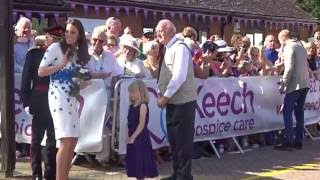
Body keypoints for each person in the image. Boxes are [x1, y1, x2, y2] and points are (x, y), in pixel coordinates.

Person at [38, 19, 90, 180]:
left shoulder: (76, 53)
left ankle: (64, 176)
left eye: (72, 32)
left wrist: (82, 82)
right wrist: (61, 65)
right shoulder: (55, 48)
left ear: (79, 35)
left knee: (73, 140)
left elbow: (80, 78)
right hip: (58, 97)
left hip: (71, 98)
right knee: (66, 140)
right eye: (67, 31)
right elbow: (41, 71)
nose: (68, 35)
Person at [156, 19, 197, 180]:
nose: (157, 33)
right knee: (174, 141)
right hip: (174, 103)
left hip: (183, 103)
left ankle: (184, 176)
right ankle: (177, 173)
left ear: (169, 31)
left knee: (182, 143)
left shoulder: (180, 48)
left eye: (159, 30)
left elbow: (178, 77)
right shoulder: (169, 48)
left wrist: (164, 97)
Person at [21, 26, 64, 180]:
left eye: (58, 39)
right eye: (53, 38)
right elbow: (26, 79)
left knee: (52, 141)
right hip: (39, 100)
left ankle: (50, 174)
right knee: (36, 140)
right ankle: (36, 173)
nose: (54, 42)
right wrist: (26, 102)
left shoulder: (62, 54)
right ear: (46, 37)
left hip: (56, 101)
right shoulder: (34, 54)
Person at [274, 29, 309, 151]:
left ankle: (289, 140)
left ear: (283, 38)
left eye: (280, 41)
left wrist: (283, 84)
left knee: (287, 111)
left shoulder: (290, 47)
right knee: (299, 112)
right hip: (305, 83)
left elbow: (289, 69)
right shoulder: (300, 46)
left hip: (295, 84)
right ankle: (298, 140)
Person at [126, 79, 158, 179]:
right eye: (130, 92)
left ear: (140, 92)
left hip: (140, 139)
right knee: (135, 163)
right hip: (132, 138)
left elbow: (141, 124)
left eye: (133, 92)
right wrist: (127, 136)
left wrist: (133, 137)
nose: (131, 94)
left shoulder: (143, 106)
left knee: (141, 163)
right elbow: (128, 123)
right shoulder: (131, 106)